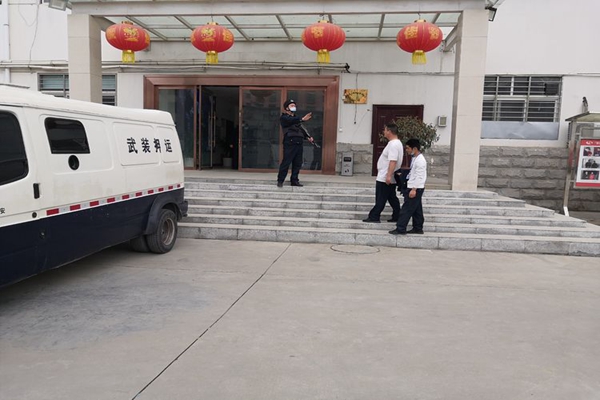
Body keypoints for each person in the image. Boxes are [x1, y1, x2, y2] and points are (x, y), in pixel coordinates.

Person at [362, 123, 403, 223]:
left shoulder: (393, 144)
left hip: (385, 176)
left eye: (385, 130)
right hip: (388, 175)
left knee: (381, 197)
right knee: (391, 197)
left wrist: (388, 175)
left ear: (389, 131)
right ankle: (397, 215)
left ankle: (374, 216)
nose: (384, 132)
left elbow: (393, 161)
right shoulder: (396, 143)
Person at [389, 138, 427, 235]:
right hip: (414, 186)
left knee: (406, 209)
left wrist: (414, 189)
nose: (406, 150)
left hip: (416, 188)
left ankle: (401, 228)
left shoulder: (420, 161)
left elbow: (419, 176)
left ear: (414, 149)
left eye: (408, 148)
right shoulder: (415, 159)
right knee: (417, 209)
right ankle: (418, 227)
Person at [277, 99, 314, 187]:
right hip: (290, 142)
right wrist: (302, 119)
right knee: (286, 162)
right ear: (287, 108)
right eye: (291, 105)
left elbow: (301, 130)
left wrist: (308, 137)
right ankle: (280, 180)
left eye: (294, 105)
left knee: (297, 163)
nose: (294, 107)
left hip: (299, 143)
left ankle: (294, 180)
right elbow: (291, 121)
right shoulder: (284, 118)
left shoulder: (297, 120)